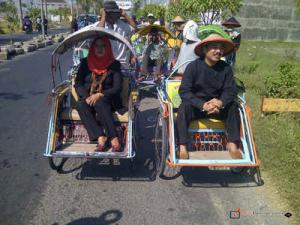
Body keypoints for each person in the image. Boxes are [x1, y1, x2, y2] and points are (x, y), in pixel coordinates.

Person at [176, 33, 243, 160]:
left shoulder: (226, 68)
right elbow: (185, 91)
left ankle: (233, 144)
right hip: (198, 107)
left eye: (221, 48)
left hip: (217, 107)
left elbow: (231, 90)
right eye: (214, 47)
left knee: (233, 106)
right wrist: (202, 105)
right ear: (205, 49)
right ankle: (183, 146)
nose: (218, 51)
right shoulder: (193, 67)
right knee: (184, 108)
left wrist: (220, 102)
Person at [74, 36, 124, 152]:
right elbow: (78, 83)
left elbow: (117, 87)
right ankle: (100, 136)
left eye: (103, 46)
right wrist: (86, 97)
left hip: (108, 99)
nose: (99, 48)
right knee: (81, 104)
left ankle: (113, 137)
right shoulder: (85, 63)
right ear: (92, 48)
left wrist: (100, 94)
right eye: (97, 46)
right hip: (89, 98)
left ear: (108, 48)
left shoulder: (114, 64)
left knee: (100, 102)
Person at [98, 1, 136, 66]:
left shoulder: (122, 25)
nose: (114, 14)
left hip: (121, 63)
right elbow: (99, 31)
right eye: (111, 12)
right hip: (106, 63)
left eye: (115, 12)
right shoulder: (102, 24)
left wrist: (125, 15)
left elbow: (134, 28)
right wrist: (103, 16)